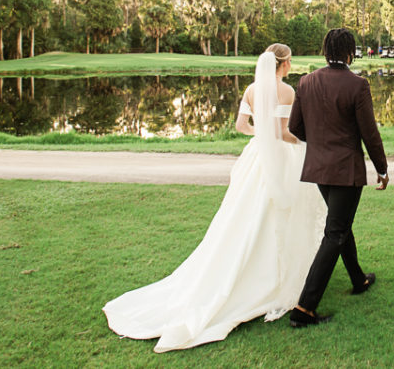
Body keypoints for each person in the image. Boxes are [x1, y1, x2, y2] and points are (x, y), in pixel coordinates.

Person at [103, 44, 326, 352]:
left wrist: (260, 135)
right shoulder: (287, 92)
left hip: (257, 158)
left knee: (247, 214)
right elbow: (283, 133)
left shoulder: (251, 89)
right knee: (278, 211)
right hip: (281, 159)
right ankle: (273, 275)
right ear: (284, 63)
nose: (290, 65)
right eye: (289, 62)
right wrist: (306, 139)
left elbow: (241, 127)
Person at [287, 28, 389, 328]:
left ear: (324, 50)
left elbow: (295, 127)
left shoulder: (305, 81)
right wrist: (381, 168)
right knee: (335, 232)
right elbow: (369, 132)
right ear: (350, 53)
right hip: (346, 170)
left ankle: (358, 280)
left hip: (319, 169)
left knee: (340, 225)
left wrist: (319, 144)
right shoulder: (357, 84)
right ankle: (304, 309)